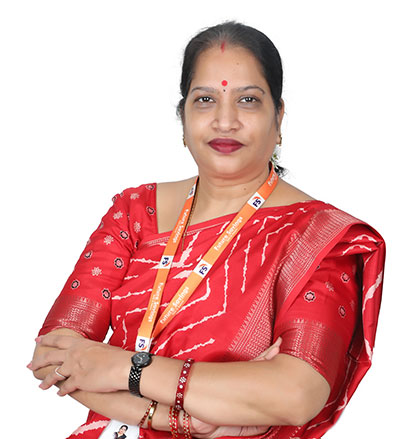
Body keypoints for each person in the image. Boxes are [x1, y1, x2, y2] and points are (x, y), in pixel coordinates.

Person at [29, 21, 385, 439]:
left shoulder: (319, 237)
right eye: (205, 100)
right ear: (183, 117)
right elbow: (53, 354)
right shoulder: (135, 211)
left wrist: (120, 367)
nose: (225, 121)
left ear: (279, 117)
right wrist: (177, 419)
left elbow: (296, 393)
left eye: (248, 100)